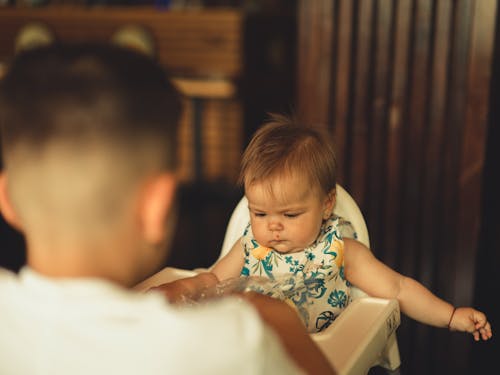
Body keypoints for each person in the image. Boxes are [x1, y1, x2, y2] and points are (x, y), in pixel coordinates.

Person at [0, 43, 335, 375]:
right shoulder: (229, 342)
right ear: (156, 208)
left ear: (8, 199)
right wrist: (280, 320)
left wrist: (188, 286)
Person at [154, 114, 493, 341]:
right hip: (257, 351)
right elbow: (214, 280)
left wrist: (450, 316)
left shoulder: (340, 251)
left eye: (289, 215)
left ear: (327, 205)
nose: (273, 227)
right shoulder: (249, 247)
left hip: (320, 354)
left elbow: (398, 288)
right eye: (258, 214)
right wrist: (176, 292)